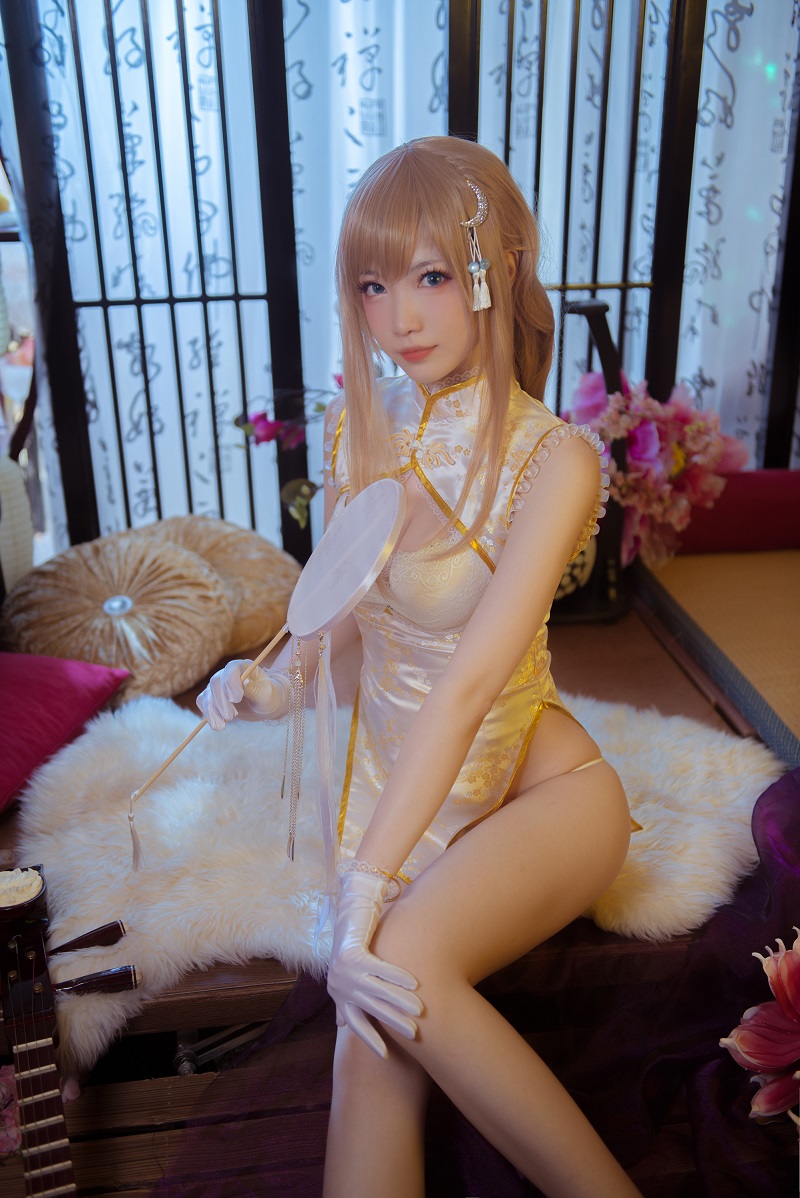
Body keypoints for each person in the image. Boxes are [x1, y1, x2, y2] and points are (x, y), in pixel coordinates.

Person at [197, 136, 640, 1198]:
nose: (399, 317)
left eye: (431, 276)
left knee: (393, 958)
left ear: (495, 271)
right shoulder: (360, 433)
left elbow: (471, 685)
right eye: (373, 285)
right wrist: (268, 687)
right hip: (413, 790)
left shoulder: (553, 458)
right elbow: (343, 627)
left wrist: (364, 887)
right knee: (369, 1033)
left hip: (545, 793)